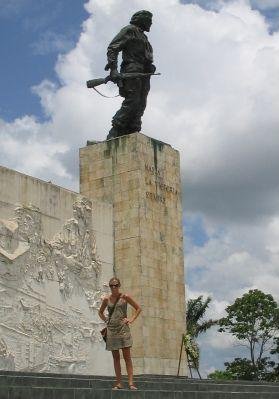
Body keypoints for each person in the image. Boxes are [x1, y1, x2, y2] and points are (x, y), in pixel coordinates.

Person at [105, 10, 156, 139]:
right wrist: (113, 69)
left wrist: (150, 66)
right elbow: (113, 48)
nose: (151, 23)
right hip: (131, 70)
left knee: (141, 103)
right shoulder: (129, 30)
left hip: (144, 74)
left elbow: (146, 57)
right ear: (141, 20)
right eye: (149, 20)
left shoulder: (144, 38)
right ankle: (115, 130)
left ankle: (133, 130)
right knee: (132, 101)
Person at [98, 277, 142, 390]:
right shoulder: (106, 299)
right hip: (112, 330)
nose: (114, 287)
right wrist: (106, 320)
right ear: (110, 287)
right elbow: (100, 312)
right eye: (111, 285)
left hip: (123, 329)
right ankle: (118, 383)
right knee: (116, 358)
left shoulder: (125, 297)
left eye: (116, 285)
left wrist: (131, 319)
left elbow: (138, 308)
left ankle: (131, 383)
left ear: (119, 285)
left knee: (127, 357)